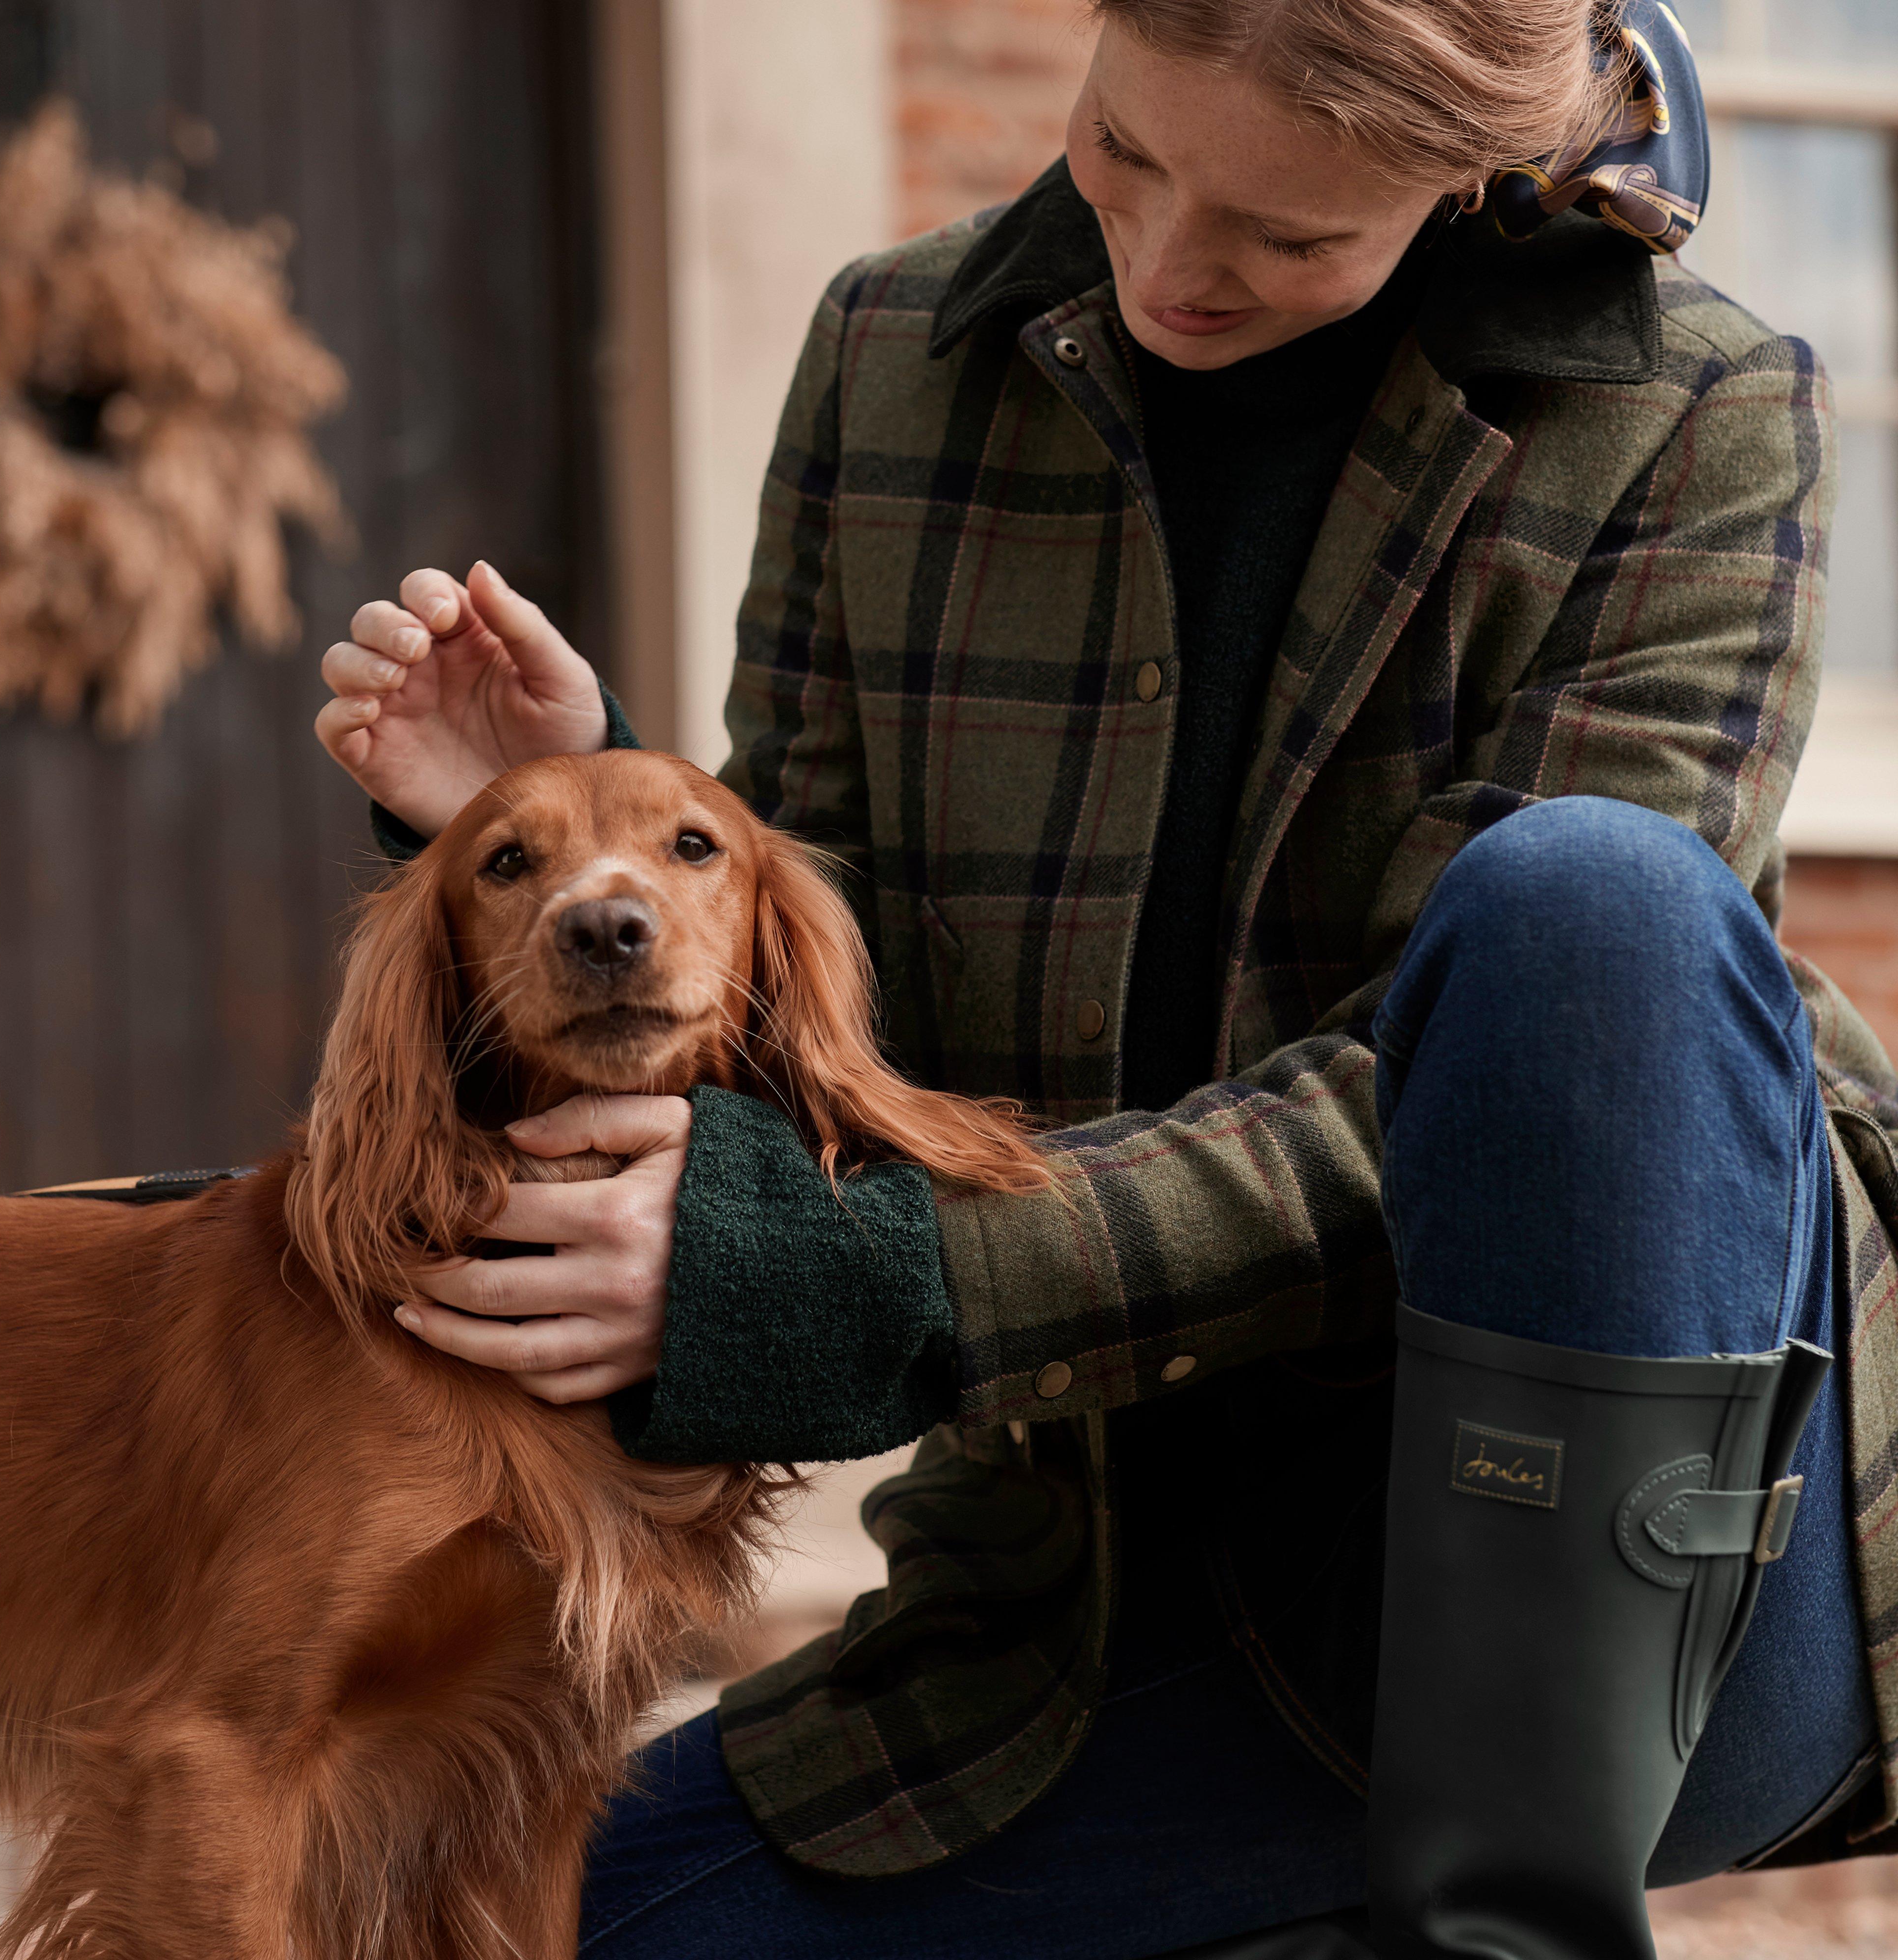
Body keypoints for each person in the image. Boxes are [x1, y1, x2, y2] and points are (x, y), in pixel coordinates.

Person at [314, 0, 1898, 1953]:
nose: (1164, 267)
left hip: (1660, 1611)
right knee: (480, 1929)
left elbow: (1463, 1110)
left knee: (1594, 916)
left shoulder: (1695, 420)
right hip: (1088, 1622)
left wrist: (887, 1280)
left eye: (1285, 235)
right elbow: (841, 1012)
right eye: (1121, 152)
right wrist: (583, 828)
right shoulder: (894, 360)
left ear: (1458, 178)